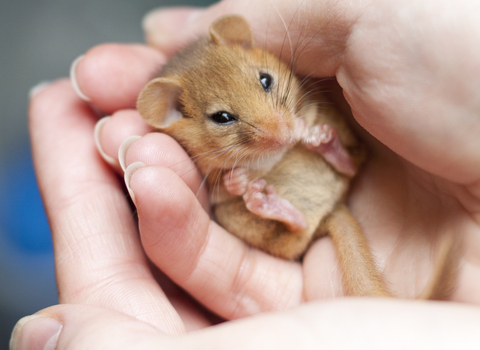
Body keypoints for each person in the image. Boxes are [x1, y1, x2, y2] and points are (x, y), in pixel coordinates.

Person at [11, 0, 480, 348]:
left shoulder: (293, 97)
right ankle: (286, 212)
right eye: (223, 117)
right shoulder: (199, 150)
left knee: (310, 125)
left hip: (330, 179)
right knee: (229, 207)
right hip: (287, 220)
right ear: (173, 113)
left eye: (264, 82)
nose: (273, 126)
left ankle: (336, 157)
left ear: (242, 42)